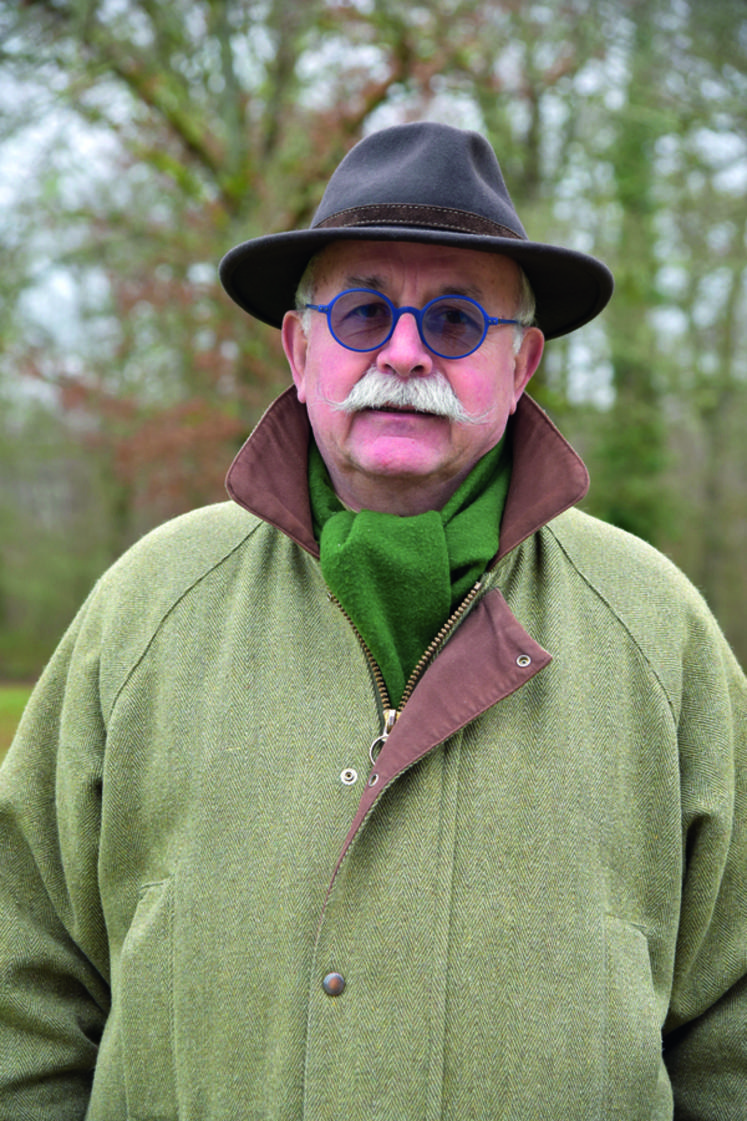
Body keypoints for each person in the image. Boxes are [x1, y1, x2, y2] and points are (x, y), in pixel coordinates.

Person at [0, 122, 745, 1121]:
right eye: (361, 313)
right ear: (299, 349)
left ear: (520, 364)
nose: (402, 352)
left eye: (454, 321)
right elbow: (22, 985)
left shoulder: (660, 632)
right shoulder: (145, 609)